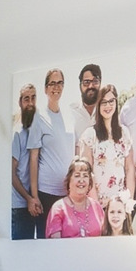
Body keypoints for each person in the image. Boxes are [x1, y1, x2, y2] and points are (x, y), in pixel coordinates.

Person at [80, 84, 130, 213]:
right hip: (98, 203)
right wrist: (96, 204)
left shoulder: (124, 133)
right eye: (104, 102)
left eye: (111, 101)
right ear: (98, 105)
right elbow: (87, 173)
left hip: (120, 204)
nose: (108, 106)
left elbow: (129, 169)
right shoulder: (90, 135)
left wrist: (127, 199)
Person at [34, 68, 75, 215]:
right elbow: (33, 158)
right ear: (45, 89)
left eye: (60, 83)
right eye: (52, 83)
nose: (56, 87)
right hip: (46, 191)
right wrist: (34, 196)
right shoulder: (39, 118)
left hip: (68, 192)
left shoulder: (70, 116)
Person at [9, 84, 42, 240]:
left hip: (32, 203)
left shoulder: (36, 128)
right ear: (20, 102)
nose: (30, 103)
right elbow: (11, 173)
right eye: (26, 99)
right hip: (19, 206)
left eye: (33, 98)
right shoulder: (17, 133)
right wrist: (28, 199)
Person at [43, 157, 104, 238]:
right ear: (69, 181)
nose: (81, 180)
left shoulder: (96, 207)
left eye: (85, 176)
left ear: (90, 182)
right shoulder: (58, 208)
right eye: (77, 175)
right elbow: (55, 245)